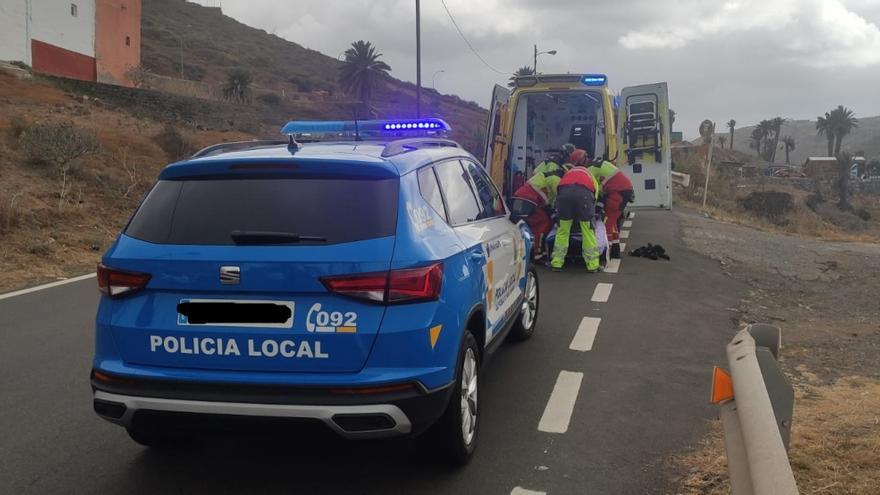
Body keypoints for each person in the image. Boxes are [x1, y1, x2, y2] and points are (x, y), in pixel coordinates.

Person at [510, 144, 575, 260]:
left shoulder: (552, 171)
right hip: (529, 199)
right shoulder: (557, 179)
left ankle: (534, 250)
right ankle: (537, 253)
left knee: (531, 223)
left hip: (526, 198)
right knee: (542, 223)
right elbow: (560, 198)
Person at [550, 149, 600, 272]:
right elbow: (595, 192)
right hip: (583, 196)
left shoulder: (567, 174)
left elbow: (558, 191)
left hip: (564, 196)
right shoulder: (588, 173)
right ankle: (592, 265)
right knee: (588, 231)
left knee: (562, 231)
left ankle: (557, 262)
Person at [589, 159, 635, 259]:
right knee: (612, 222)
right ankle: (615, 250)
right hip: (622, 192)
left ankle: (606, 253)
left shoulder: (590, 171)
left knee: (607, 224)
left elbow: (593, 190)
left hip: (617, 194)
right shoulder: (600, 165)